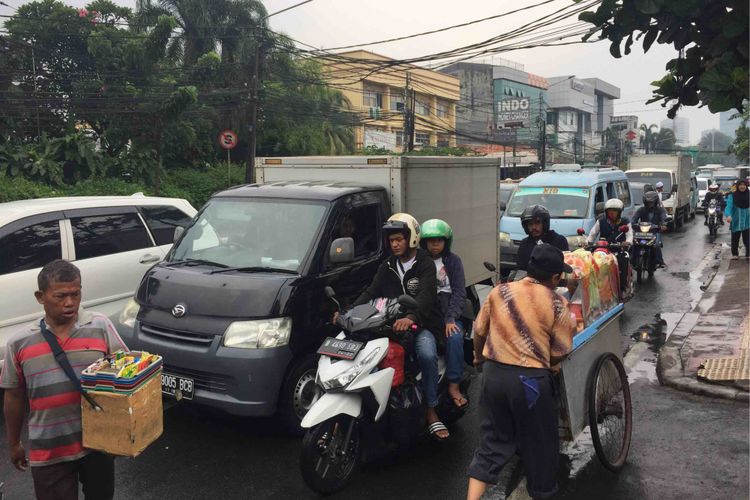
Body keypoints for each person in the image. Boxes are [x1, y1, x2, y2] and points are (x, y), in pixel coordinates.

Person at [1, 259, 127, 500]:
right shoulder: (19, 343)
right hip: (49, 450)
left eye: (75, 294)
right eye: (60, 296)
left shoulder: (100, 326)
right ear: (40, 297)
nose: (70, 303)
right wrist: (14, 442)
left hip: (98, 445)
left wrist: (122, 433)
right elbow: (13, 395)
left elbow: (125, 377)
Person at [467, 244, 576, 500]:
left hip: (493, 375)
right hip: (530, 383)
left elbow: (479, 332)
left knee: (491, 444)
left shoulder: (499, 291)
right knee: (540, 447)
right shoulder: (557, 303)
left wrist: (478, 357)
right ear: (555, 277)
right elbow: (561, 351)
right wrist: (548, 360)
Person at [349, 213, 449, 440]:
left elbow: (426, 297)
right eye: (391, 240)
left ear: (411, 238)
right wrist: (349, 312)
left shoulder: (424, 264)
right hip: (390, 325)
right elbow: (371, 292)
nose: (394, 244)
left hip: (422, 324)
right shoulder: (387, 265)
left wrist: (412, 317)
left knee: (426, 353)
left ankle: (432, 410)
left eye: (399, 239)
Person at [420, 219, 468, 410]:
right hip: (427, 315)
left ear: (446, 241)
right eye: (431, 241)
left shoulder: (453, 260)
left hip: (449, 313)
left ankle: (454, 385)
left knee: (454, 337)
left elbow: (459, 292)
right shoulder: (421, 261)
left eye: (439, 240)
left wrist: (450, 318)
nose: (435, 244)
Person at [587, 199, 633, 294]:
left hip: (618, 249)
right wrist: (587, 242)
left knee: (623, 260)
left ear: (620, 212)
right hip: (602, 250)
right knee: (590, 262)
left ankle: (622, 288)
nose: (612, 213)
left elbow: (629, 235)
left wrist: (627, 242)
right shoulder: (601, 221)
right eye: (609, 211)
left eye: (615, 211)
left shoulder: (625, 222)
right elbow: (592, 234)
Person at [517, 205, 569, 272]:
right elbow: (520, 268)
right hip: (529, 280)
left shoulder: (559, 240)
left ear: (545, 223)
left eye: (537, 223)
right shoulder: (524, 244)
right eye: (530, 224)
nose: (534, 227)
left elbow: (565, 267)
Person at [632, 191, 668, 269]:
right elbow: (634, 219)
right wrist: (632, 224)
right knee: (634, 243)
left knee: (657, 245)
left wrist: (663, 225)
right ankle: (632, 260)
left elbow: (663, 218)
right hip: (641, 232)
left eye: (651, 202)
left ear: (655, 202)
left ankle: (659, 261)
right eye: (648, 202)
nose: (649, 204)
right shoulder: (641, 209)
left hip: (655, 232)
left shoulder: (660, 210)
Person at [725, 179, 750, 259]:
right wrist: (728, 215)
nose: (742, 186)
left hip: (747, 221)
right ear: (737, 186)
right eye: (740, 185)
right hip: (736, 221)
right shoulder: (732, 196)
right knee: (735, 239)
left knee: (748, 239)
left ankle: (748, 254)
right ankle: (735, 254)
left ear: (746, 186)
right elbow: (728, 206)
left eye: (744, 185)